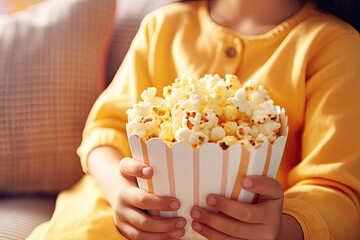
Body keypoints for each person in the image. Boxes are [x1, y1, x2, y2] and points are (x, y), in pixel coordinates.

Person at [29, 0, 360, 239]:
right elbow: (105, 130)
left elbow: (337, 190)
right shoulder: (163, 28)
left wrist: (282, 229)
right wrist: (118, 190)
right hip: (125, 211)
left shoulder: (334, 48)